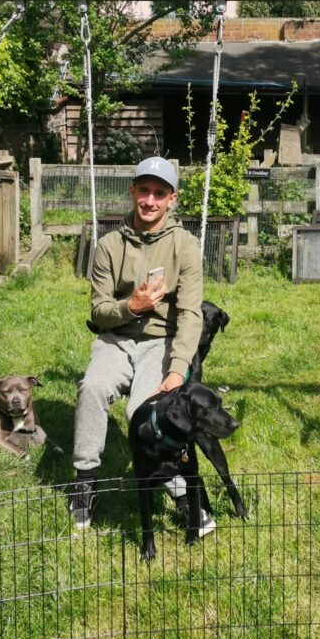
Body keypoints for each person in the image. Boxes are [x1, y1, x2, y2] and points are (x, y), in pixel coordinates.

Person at [69, 155, 210, 533]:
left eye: (159, 193)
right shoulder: (109, 246)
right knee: (92, 389)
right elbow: (99, 312)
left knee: (143, 412)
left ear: (172, 199)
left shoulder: (185, 246)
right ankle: (85, 481)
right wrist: (132, 306)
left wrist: (179, 368)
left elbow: (191, 313)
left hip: (159, 342)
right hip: (116, 338)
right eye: (143, 191)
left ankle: (179, 489)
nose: (150, 201)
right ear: (132, 191)